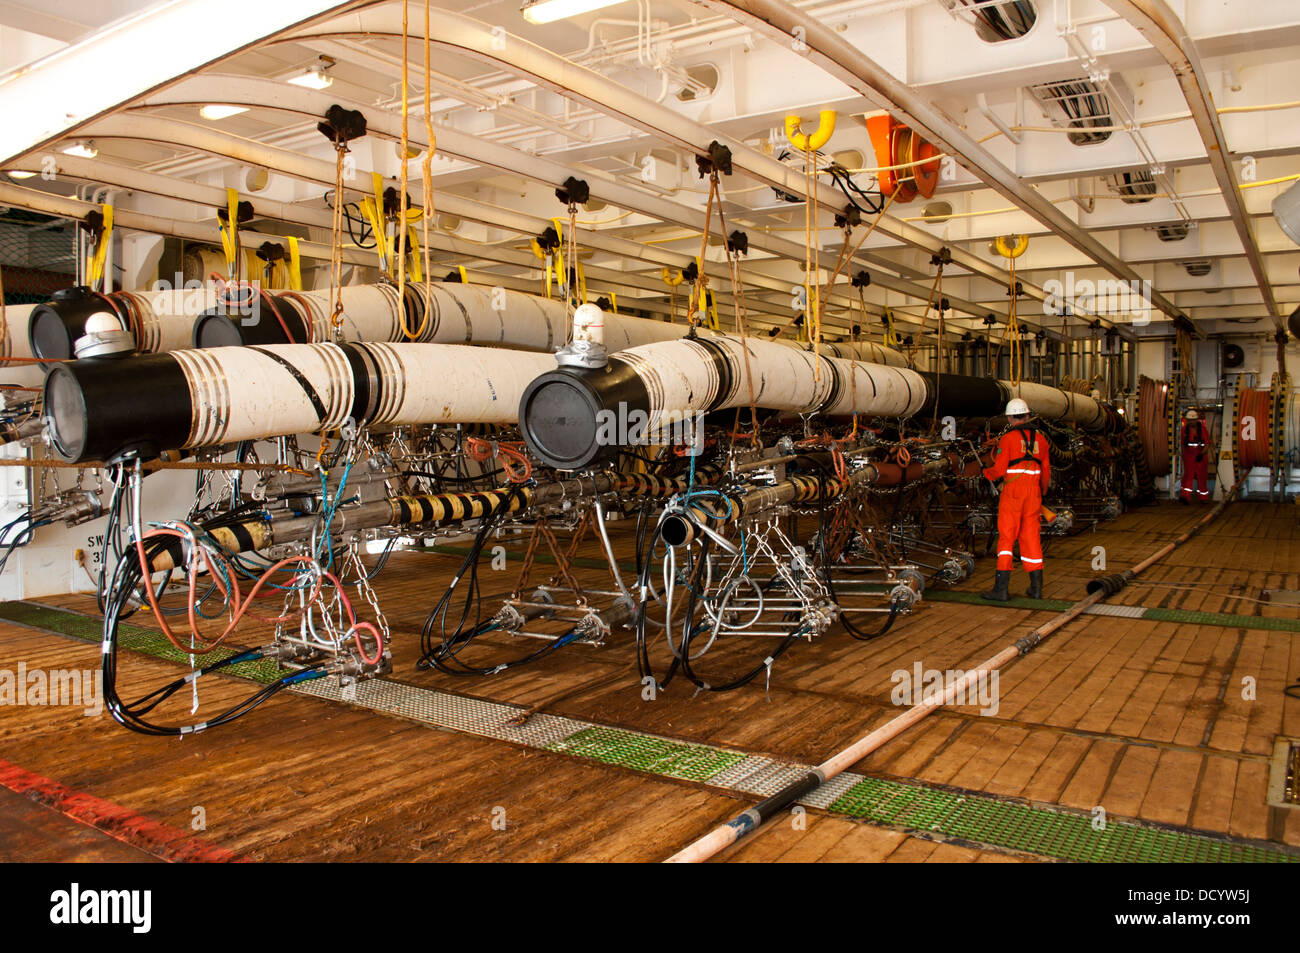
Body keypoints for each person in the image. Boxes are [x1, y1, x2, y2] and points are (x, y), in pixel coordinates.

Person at [981, 397, 1051, 601]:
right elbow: (1046, 471)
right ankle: (1036, 588)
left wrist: (987, 473)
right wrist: (1042, 492)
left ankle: (1001, 589)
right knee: (1031, 538)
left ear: (1010, 418)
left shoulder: (1008, 439)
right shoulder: (1042, 439)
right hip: (1034, 494)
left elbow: (1000, 469)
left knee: (1007, 537)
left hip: (1013, 493)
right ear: (1028, 415)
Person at [1179, 409, 1210, 504]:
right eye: (1189, 420)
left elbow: (1207, 444)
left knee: (1202, 476)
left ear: (1196, 420)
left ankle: (1203, 498)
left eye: (1193, 420)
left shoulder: (1202, 429)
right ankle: (1185, 497)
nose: (1191, 422)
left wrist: (1201, 454)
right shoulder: (1184, 430)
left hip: (1200, 456)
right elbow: (1182, 443)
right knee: (1188, 476)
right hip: (1189, 456)